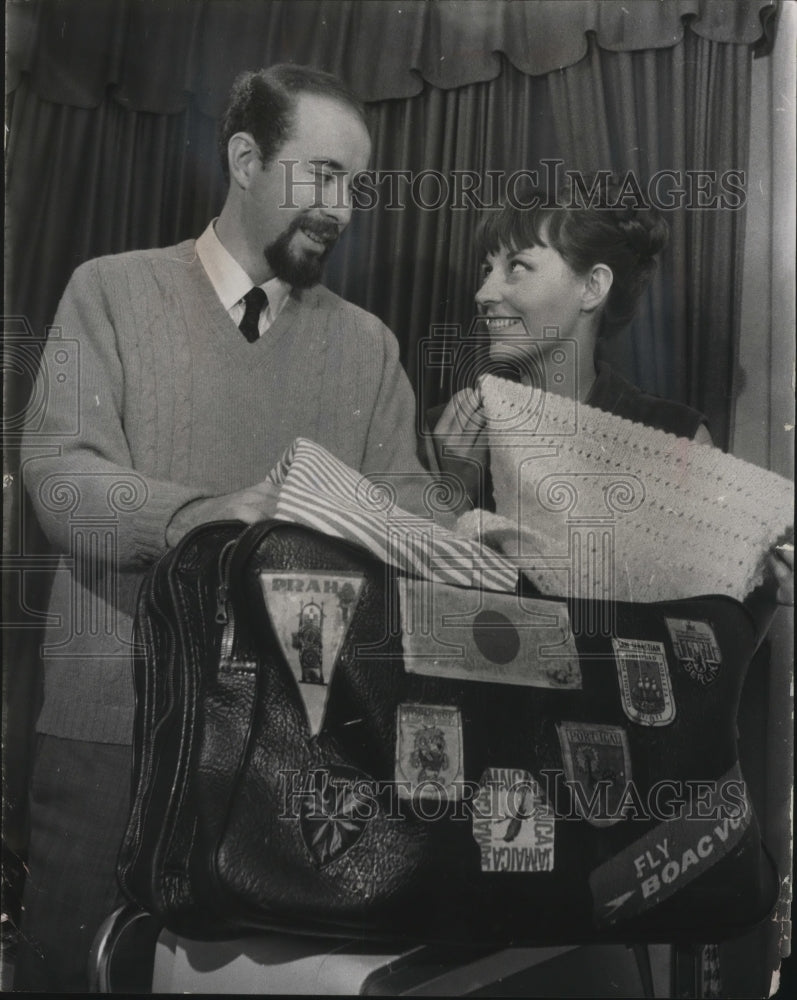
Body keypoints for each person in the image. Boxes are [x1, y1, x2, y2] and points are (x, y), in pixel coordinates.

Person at [16, 64, 434, 992]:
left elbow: (405, 504)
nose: (342, 208)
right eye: (321, 176)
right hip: (110, 735)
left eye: (355, 186)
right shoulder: (111, 292)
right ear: (245, 158)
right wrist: (208, 516)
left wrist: (473, 530)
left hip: (293, 755)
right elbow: (61, 479)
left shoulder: (367, 346)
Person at [430, 180, 793, 609]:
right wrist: (451, 486)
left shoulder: (674, 436)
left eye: (516, 267)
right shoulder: (447, 430)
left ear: (593, 287)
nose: (484, 294)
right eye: (486, 270)